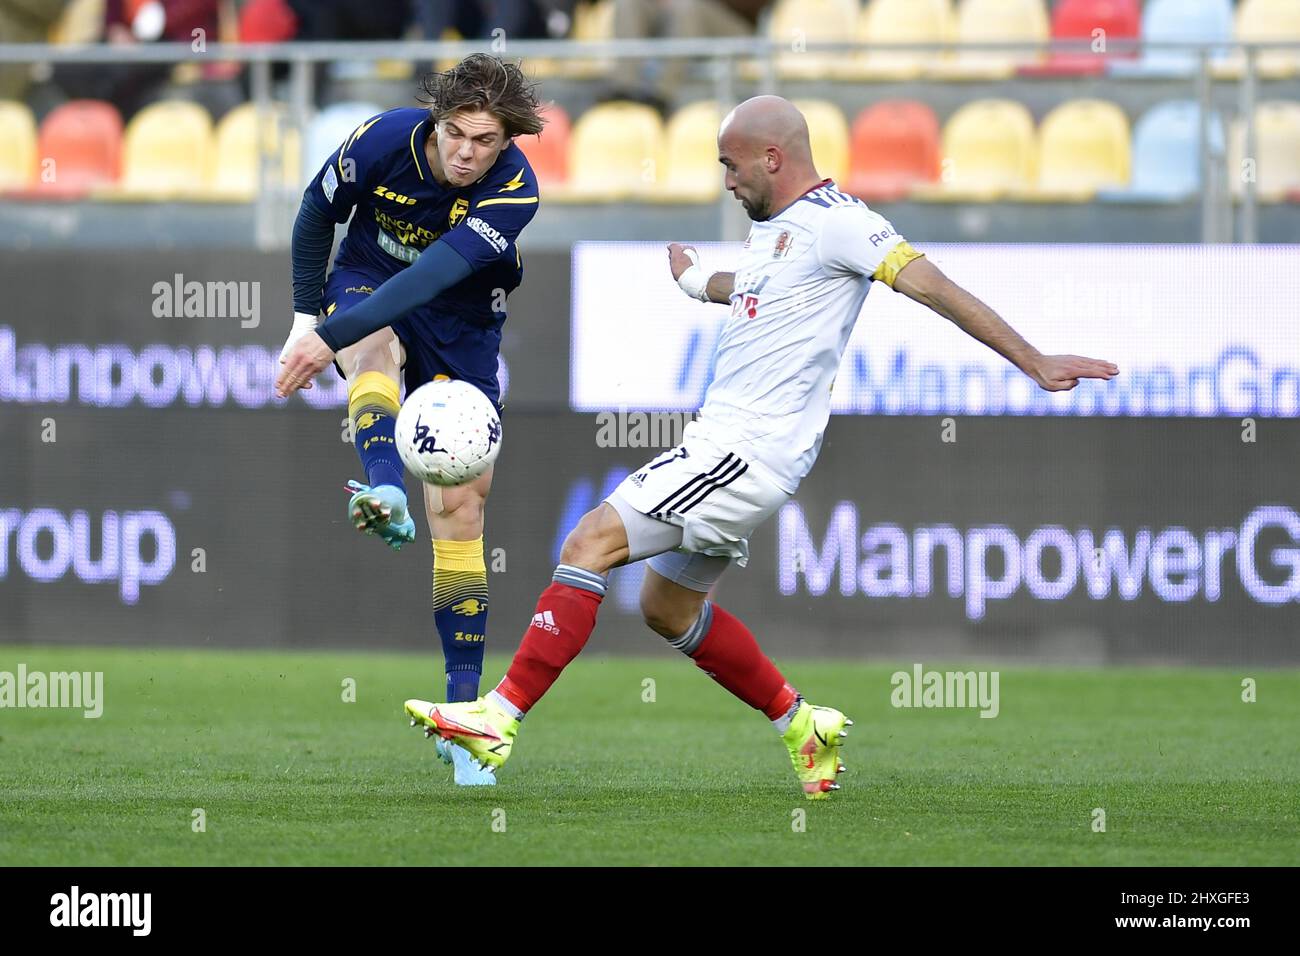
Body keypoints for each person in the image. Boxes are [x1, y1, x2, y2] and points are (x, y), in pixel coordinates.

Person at [405, 95, 1120, 799]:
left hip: (742, 451)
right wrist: (690, 280)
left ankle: (496, 719)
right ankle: (803, 724)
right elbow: (749, 288)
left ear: (772, 158)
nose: (725, 178)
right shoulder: (778, 228)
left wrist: (1034, 360)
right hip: (741, 451)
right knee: (666, 610)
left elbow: (933, 286)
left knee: (588, 542)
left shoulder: (843, 226)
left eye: (731, 164)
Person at [275, 54, 546, 786]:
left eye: (484, 140)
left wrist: (318, 342)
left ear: (507, 140)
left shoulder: (515, 189)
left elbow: (431, 278)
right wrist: (311, 319)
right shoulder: (381, 140)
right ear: (436, 121)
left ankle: (463, 723)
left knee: (461, 507)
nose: (466, 152)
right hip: (365, 282)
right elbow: (314, 211)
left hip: (462, 319)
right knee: (372, 341)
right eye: (456, 133)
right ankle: (385, 486)